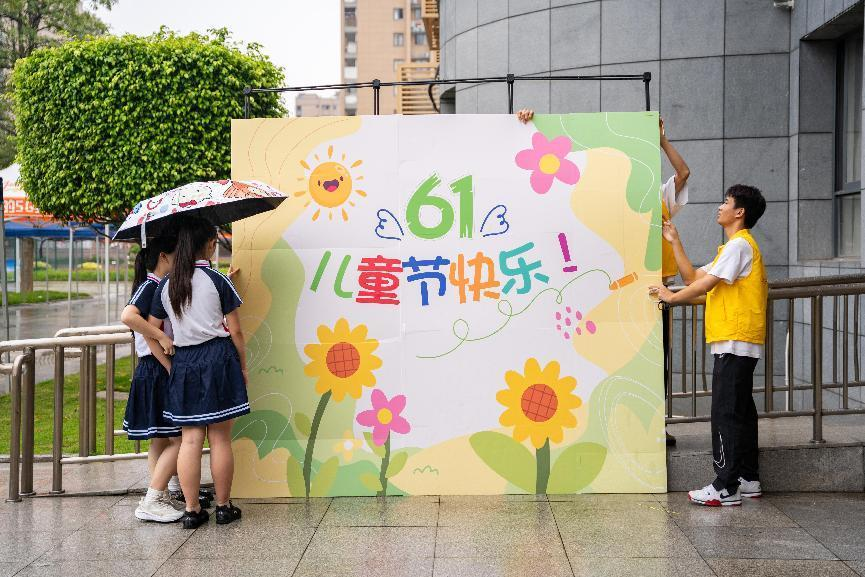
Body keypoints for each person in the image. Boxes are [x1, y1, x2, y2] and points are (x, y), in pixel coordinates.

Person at [517, 110, 690, 445]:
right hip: (616, 295)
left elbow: (683, 173)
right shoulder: (609, 202)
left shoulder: (658, 197)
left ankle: (655, 425)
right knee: (617, 361)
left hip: (656, 294)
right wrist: (525, 126)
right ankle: (612, 427)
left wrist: (660, 141)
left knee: (657, 362)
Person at [649, 185, 768, 507]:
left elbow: (704, 284)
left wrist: (670, 297)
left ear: (739, 212)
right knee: (740, 412)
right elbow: (693, 278)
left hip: (734, 340)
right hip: (738, 340)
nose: (720, 207)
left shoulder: (739, 246)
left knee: (725, 414)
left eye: (725, 202)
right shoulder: (733, 248)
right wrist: (674, 241)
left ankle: (725, 486)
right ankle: (748, 478)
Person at [148, 216, 249, 528]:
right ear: (209, 244)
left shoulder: (166, 285)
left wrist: (170, 365)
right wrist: (242, 366)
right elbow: (236, 331)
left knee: (190, 440)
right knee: (220, 439)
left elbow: (151, 330)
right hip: (219, 359)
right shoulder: (218, 281)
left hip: (185, 361)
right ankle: (223, 507)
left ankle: (192, 511)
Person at [120, 235, 185, 523]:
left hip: (152, 369)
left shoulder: (156, 285)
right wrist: (161, 336)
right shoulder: (151, 286)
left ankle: (160, 495)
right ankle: (154, 498)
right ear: (163, 257)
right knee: (182, 439)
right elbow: (128, 316)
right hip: (156, 369)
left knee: (159, 440)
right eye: (176, 253)